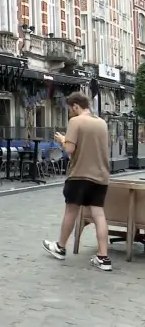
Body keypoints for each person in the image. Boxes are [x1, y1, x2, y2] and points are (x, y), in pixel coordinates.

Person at [42, 92, 111, 271]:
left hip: (80, 174)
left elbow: (70, 150)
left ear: (75, 106)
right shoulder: (102, 123)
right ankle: (103, 257)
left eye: (70, 110)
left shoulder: (76, 122)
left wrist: (62, 140)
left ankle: (60, 247)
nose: (70, 113)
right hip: (101, 175)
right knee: (99, 215)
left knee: (71, 211)